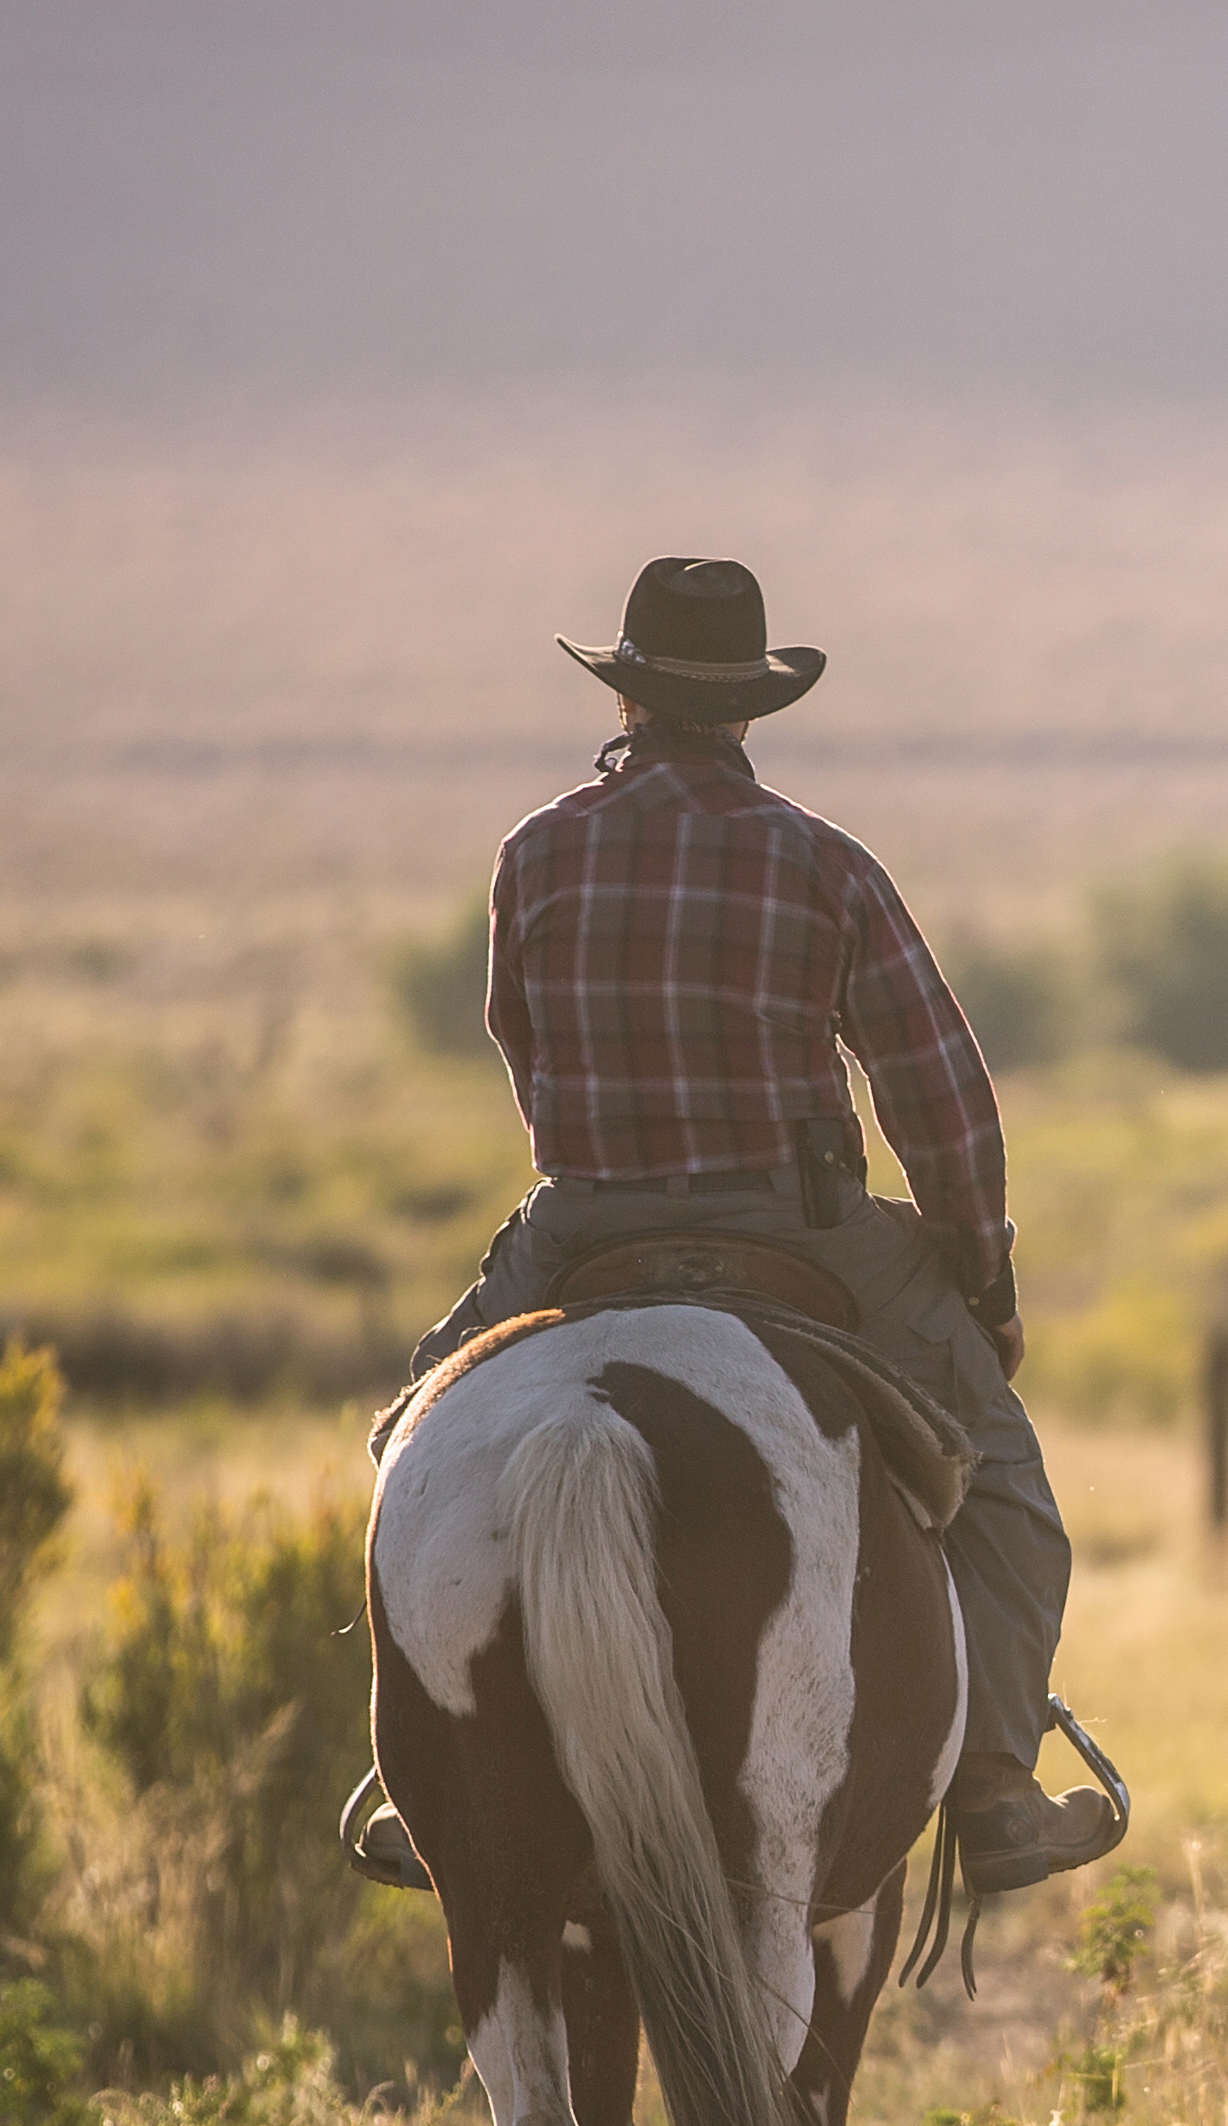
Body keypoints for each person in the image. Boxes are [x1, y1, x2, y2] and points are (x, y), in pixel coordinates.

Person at [350, 556, 1119, 1896]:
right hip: (799, 1227)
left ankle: (432, 1769)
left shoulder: (534, 854)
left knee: (411, 1443)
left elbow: (521, 1049)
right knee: (1005, 1487)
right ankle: (995, 1783)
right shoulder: (824, 864)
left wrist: (605, 1158)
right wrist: (977, 1273)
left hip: (582, 1224)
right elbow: (939, 1095)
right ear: (751, 708)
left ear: (629, 694)